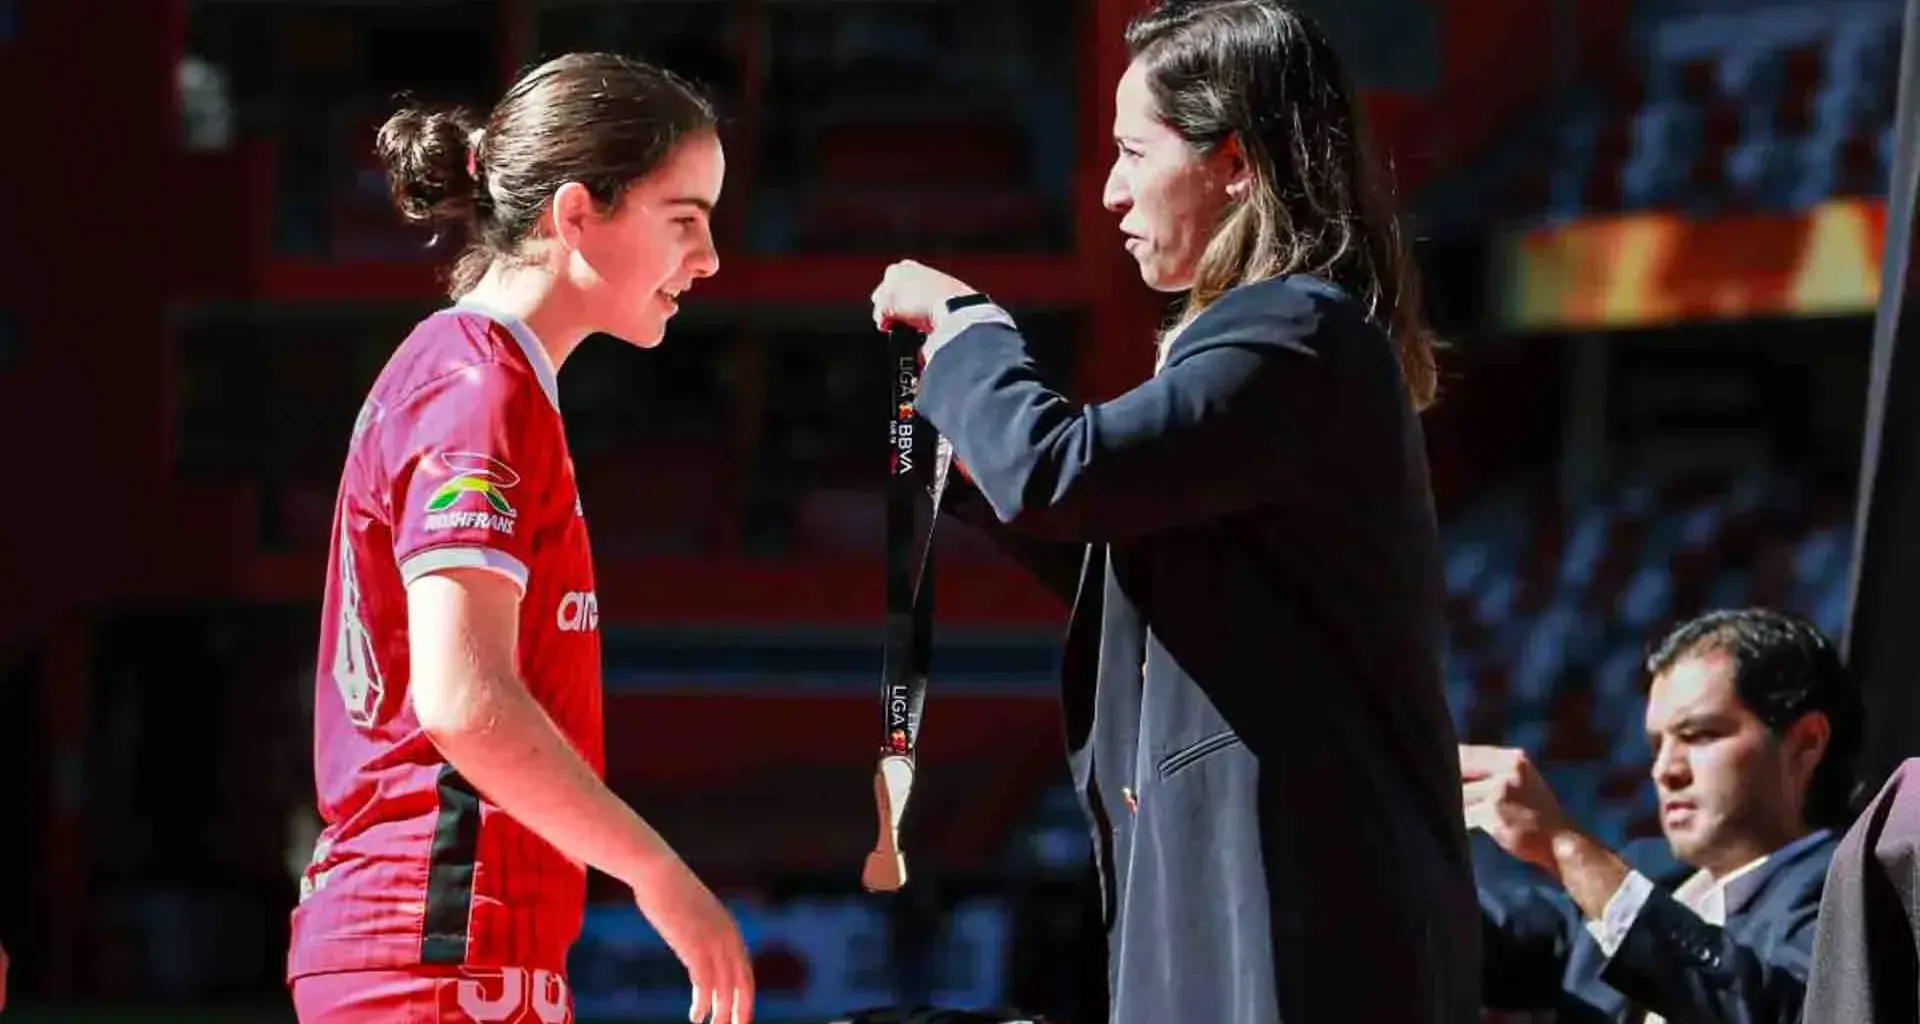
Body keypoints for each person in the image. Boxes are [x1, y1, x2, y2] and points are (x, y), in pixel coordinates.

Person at [868, 2, 1478, 1021]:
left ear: (1233, 163)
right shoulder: (1292, 341)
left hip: (1299, 921)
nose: (1108, 192)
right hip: (1268, 907)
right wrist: (967, 478)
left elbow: (1062, 473)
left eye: (1130, 152)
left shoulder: (1292, 328)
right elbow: (1144, 561)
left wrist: (969, 332)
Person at [286, 53, 754, 1024]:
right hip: (436, 949)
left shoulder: (484, 377)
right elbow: (462, 699)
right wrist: (659, 874)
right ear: (577, 214)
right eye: (685, 220)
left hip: (447, 949)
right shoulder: (476, 382)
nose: (709, 260)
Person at [1466, 607, 1858, 1023]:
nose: (1665, 770)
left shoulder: (1860, 892)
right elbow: (1470, 935)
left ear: (1805, 743)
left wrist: (1565, 848)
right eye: (1657, 746)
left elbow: (1775, 1011)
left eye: (1699, 736)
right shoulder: (1651, 874)